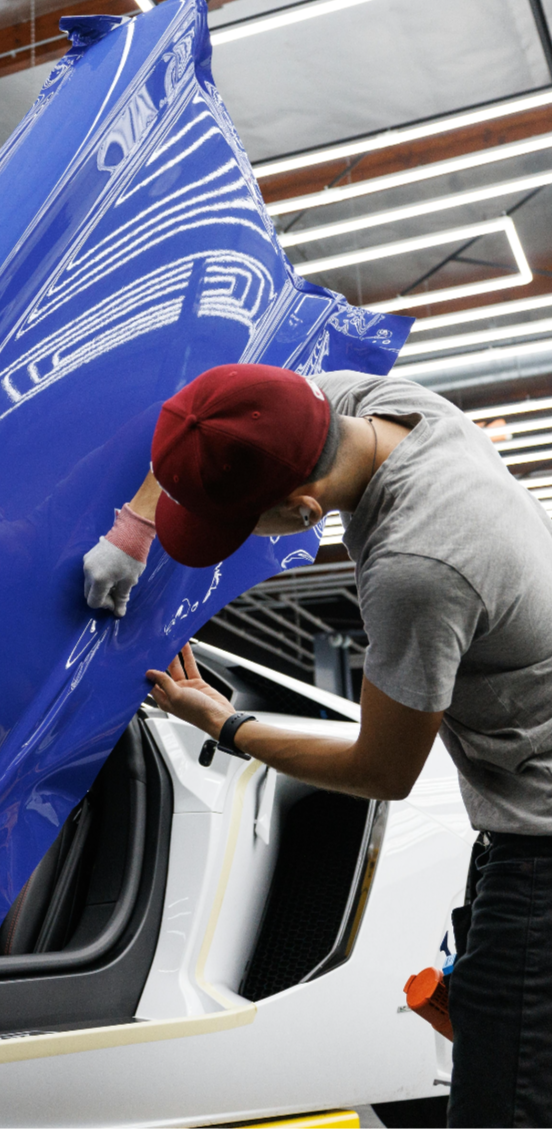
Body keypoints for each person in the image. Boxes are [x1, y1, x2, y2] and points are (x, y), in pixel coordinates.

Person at [83, 362, 552, 1128]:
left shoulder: (416, 568)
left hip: (542, 836)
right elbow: (211, 411)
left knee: (502, 1106)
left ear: (302, 510)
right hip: (519, 801)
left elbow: (383, 769)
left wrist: (224, 725)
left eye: (241, 526)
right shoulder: (368, 403)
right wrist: (133, 529)